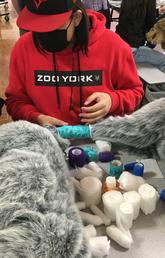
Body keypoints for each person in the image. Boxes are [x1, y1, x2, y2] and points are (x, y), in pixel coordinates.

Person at [5, 0, 143, 126]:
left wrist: (113, 101)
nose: (44, 33)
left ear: (76, 18)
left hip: (99, 141)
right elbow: (15, 101)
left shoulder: (114, 46)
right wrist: (36, 117)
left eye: (52, 26)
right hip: (45, 140)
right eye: (37, 26)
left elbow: (135, 92)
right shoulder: (24, 48)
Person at [116, 0, 165, 73]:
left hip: (118, 44)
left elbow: (140, 16)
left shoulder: (129, 2)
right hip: (131, 50)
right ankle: (157, 83)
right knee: (163, 61)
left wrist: (159, 11)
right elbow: (151, 24)